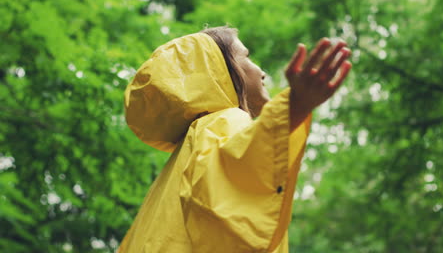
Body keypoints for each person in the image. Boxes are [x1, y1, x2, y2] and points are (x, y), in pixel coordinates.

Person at [119, 26, 351, 253]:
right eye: (247, 57)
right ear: (219, 71)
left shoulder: (184, 151)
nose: (261, 72)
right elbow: (236, 180)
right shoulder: (223, 121)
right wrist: (294, 107)